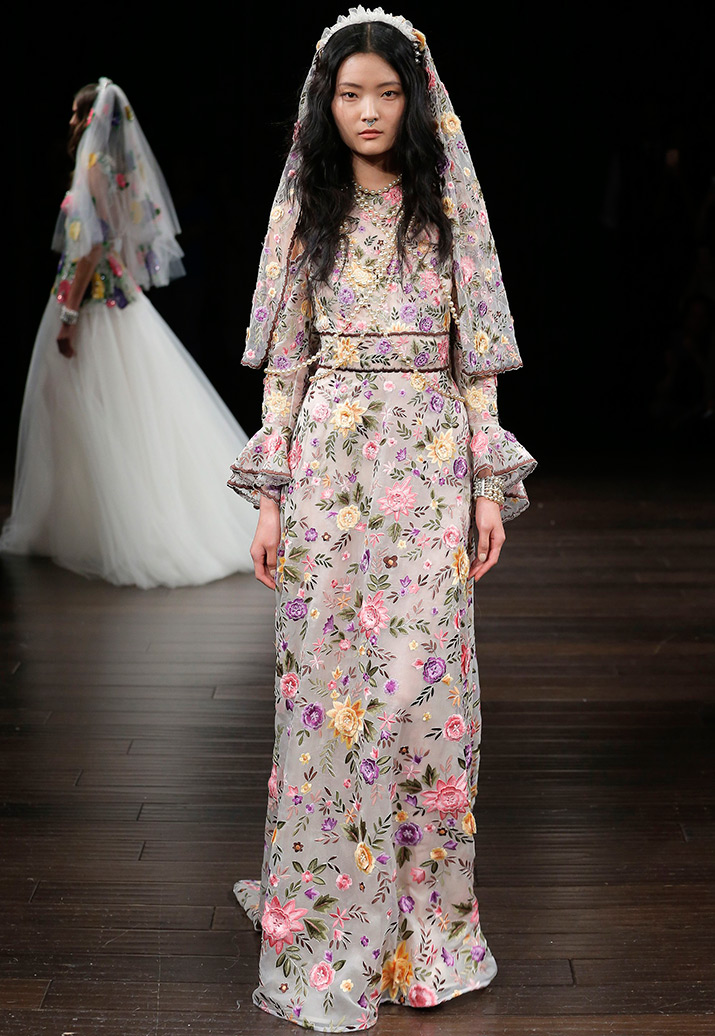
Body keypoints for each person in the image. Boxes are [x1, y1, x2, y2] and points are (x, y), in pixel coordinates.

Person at [227, 7, 536, 1029]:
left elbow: (477, 359)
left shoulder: (446, 208)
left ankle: (421, 934)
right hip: (329, 461)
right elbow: (284, 362)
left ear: (415, 100)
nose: (367, 111)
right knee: (325, 690)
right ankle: (328, 922)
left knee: (421, 693)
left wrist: (485, 487)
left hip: (429, 455)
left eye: (386, 92)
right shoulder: (307, 209)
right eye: (350, 93)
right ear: (326, 103)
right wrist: (270, 501)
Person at [0, 77, 255, 589]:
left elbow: (93, 246)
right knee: (97, 411)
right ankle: (81, 523)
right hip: (110, 294)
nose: (72, 122)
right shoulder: (114, 168)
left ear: (92, 119)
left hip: (94, 301)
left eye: (77, 113)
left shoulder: (94, 165)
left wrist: (69, 315)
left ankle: (115, 527)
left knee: (95, 410)